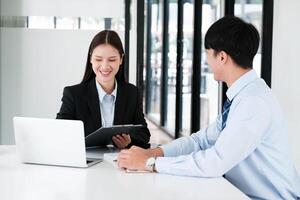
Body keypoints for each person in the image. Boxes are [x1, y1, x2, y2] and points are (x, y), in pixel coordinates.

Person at [117, 16, 300, 199]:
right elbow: (200, 141)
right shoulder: (242, 96)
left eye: (207, 52)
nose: (206, 60)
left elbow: (215, 162)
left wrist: (150, 163)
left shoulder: (253, 103)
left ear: (221, 57)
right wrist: (152, 153)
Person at [57, 30, 150, 149]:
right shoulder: (73, 94)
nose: (105, 66)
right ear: (91, 59)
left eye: (112, 60)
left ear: (121, 59)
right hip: (86, 162)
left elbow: (144, 133)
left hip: (119, 162)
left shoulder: (132, 93)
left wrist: (129, 141)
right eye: (98, 59)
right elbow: (60, 132)